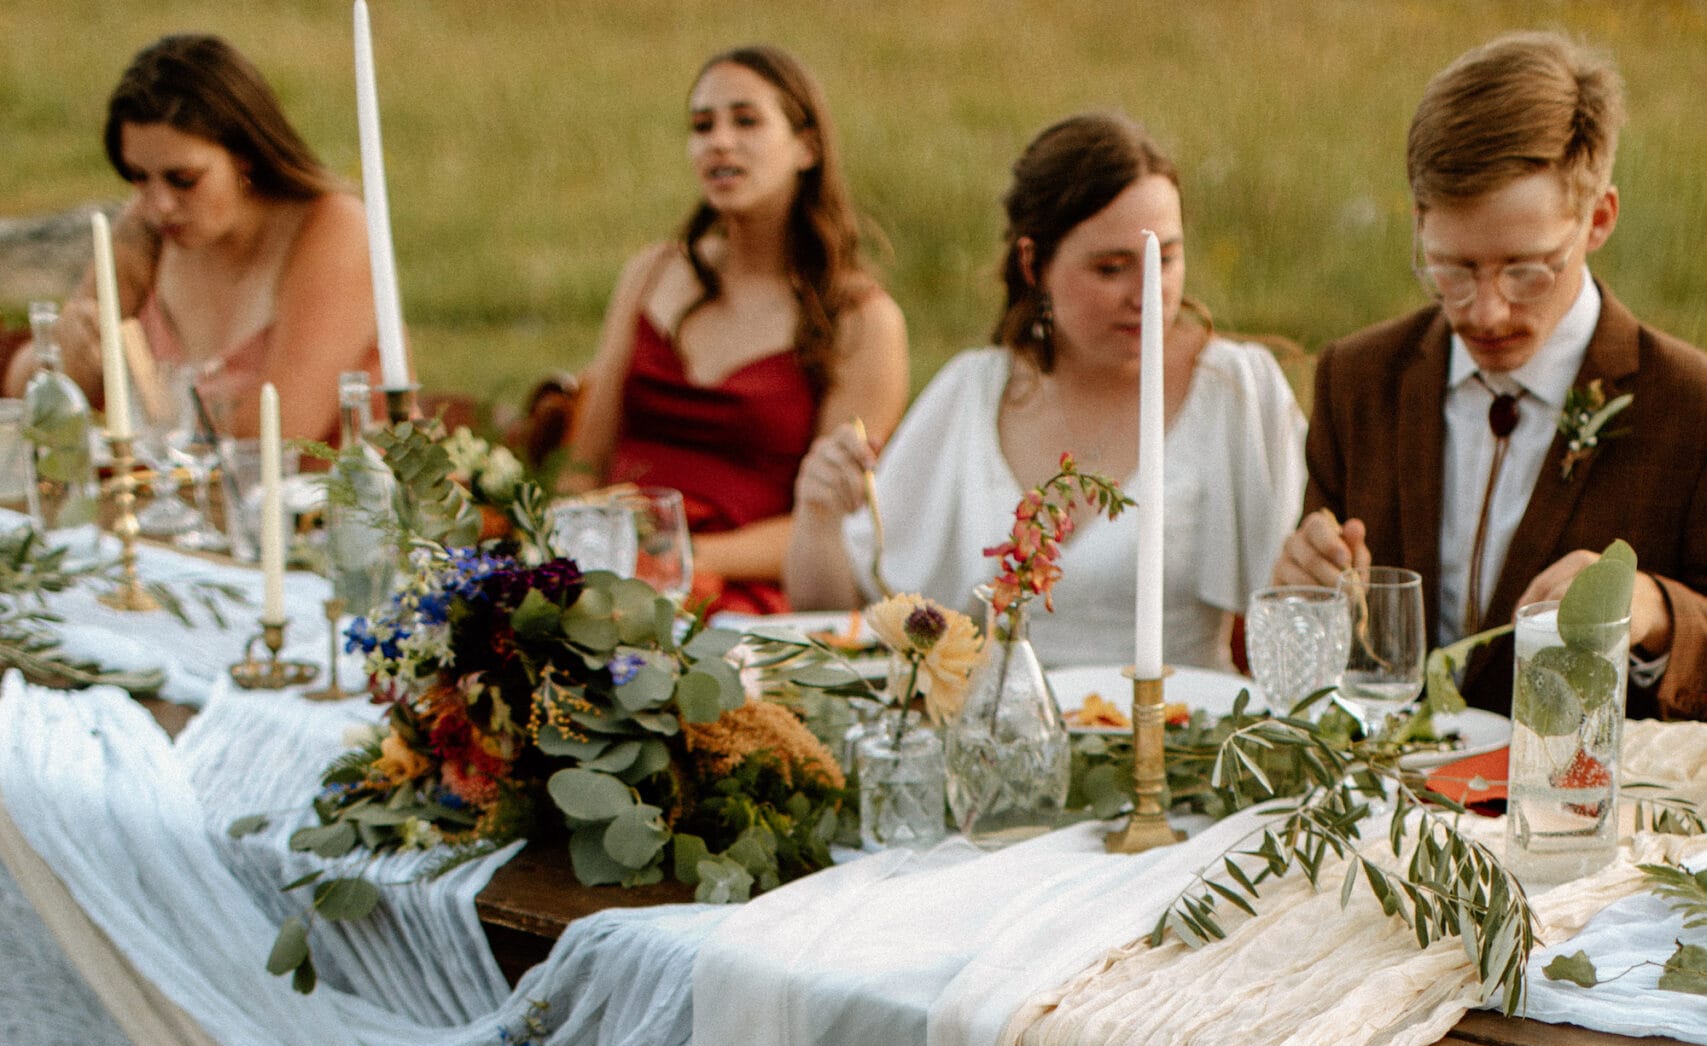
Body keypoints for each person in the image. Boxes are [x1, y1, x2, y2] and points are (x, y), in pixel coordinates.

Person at [1274, 31, 1707, 717]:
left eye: (1525, 270)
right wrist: (1304, 592)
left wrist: (1657, 610)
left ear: (1597, 219)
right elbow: (1329, 657)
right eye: (1451, 267)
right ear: (1418, 222)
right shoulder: (1355, 380)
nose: (1485, 311)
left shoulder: (1690, 406)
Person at [784, 114, 1306, 670]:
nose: (1147, 293)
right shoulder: (972, 395)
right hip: (994, 734)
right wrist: (817, 513)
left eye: (1166, 259)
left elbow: (1305, 612)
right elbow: (833, 611)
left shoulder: (1235, 392)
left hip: (1175, 729)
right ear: (1035, 264)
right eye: (1110, 269)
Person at [566, 46, 908, 617]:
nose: (718, 141)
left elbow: (837, 523)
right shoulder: (652, 274)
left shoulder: (861, 320)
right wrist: (569, 559)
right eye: (702, 126)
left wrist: (676, 558)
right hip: (611, 578)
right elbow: (585, 463)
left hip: (740, 593)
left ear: (807, 146)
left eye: (746, 121)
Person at [4, 33, 378, 444]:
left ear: (245, 155)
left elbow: (276, 436)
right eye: (139, 177)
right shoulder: (147, 230)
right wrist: (63, 358)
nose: (158, 204)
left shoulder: (334, 227)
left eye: (184, 180)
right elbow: (19, 396)